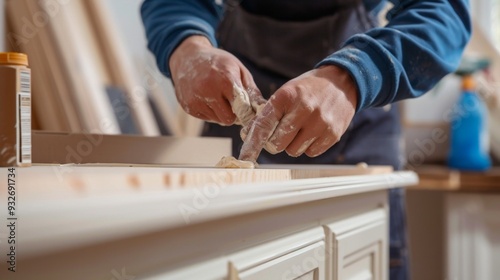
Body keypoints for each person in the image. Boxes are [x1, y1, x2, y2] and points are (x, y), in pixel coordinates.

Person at [141, 0, 471, 279]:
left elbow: (443, 14)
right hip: (232, 117)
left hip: (359, 125)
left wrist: (352, 76)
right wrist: (187, 45)